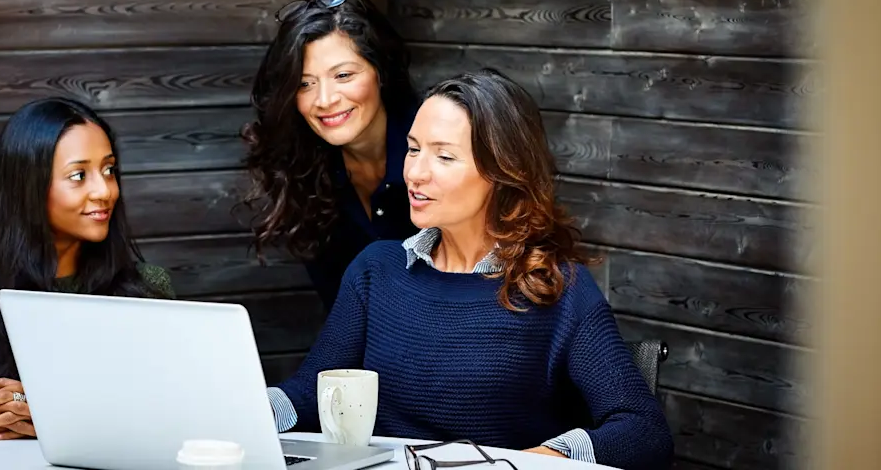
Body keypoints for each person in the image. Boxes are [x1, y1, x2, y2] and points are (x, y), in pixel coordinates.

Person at [265, 70, 674, 470]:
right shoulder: (376, 270)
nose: (415, 173)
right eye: (412, 149)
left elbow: (643, 430)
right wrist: (239, 407)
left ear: (501, 173)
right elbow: (308, 396)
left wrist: (536, 461)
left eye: (444, 156)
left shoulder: (556, 286)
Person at [0, 97, 175, 441]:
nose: (104, 190)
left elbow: (169, 420)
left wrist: (66, 419)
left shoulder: (147, 289)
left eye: (108, 170)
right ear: (28, 188)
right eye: (79, 175)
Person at [240, 0, 421, 311]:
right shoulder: (306, 169)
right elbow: (342, 312)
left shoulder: (440, 151)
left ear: (380, 72)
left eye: (343, 75)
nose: (324, 100)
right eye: (305, 83)